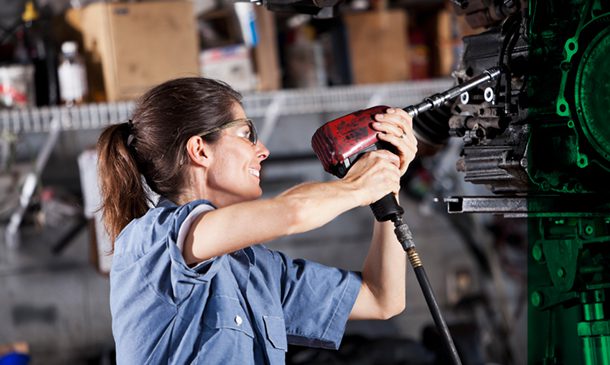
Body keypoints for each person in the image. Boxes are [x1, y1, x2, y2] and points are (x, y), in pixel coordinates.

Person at [97, 77, 417, 364]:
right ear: (200, 150)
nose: (262, 150)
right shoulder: (154, 240)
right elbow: (292, 213)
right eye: (246, 134)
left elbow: (382, 299)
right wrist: (357, 186)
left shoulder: (257, 271)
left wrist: (387, 180)